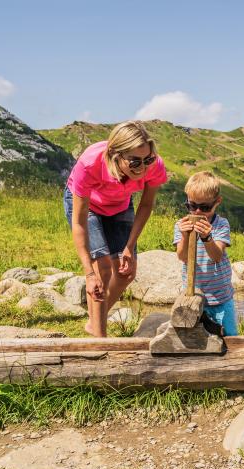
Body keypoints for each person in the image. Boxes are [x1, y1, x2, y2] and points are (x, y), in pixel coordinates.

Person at [64, 121, 168, 337]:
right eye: (135, 161)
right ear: (116, 156)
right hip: (88, 206)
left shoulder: (154, 165)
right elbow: (79, 223)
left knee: (125, 272)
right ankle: (100, 342)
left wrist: (129, 246)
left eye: (147, 159)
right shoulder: (90, 163)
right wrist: (89, 273)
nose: (143, 167)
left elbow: (146, 205)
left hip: (119, 206)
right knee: (102, 268)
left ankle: (94, 323)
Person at [173, 171, 236, 336]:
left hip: (220, 297)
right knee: (194, 339)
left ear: (217, 202)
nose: (198, 212)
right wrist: (185, 236)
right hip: (194, 295)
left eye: (205, 207)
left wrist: (207, 237)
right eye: (192, 206)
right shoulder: (181, 224)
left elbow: (216, 256)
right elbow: (181, 257)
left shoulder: (221, 224)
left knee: (229, 337)